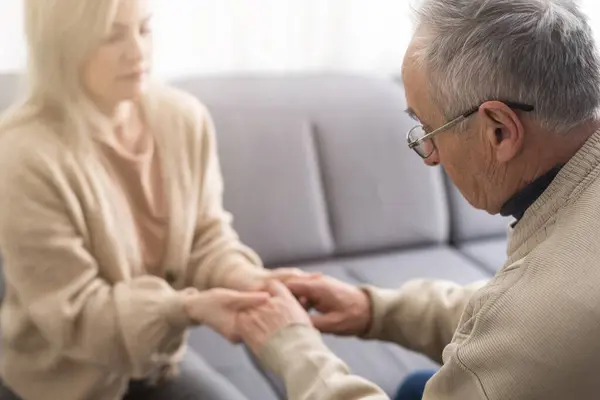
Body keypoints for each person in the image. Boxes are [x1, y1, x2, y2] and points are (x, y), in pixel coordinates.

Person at [235, 0, 600, 399]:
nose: (431, 157)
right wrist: (375, 309)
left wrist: (292, 350)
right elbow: (508, 326)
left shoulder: (544, 311)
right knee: (413, 387)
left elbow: (527, 324)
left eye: (429, 128)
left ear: (499, 131)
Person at [0, 0, 315, 399]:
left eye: (144, 28)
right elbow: (76, 314)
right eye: (113, 35)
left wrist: (251, 281)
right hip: (62, 380)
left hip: (157, 365)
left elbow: (206, 239)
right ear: (61, 44)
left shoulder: (184, 118)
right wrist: (188, 309)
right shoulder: (22, 154)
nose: (137, 50)